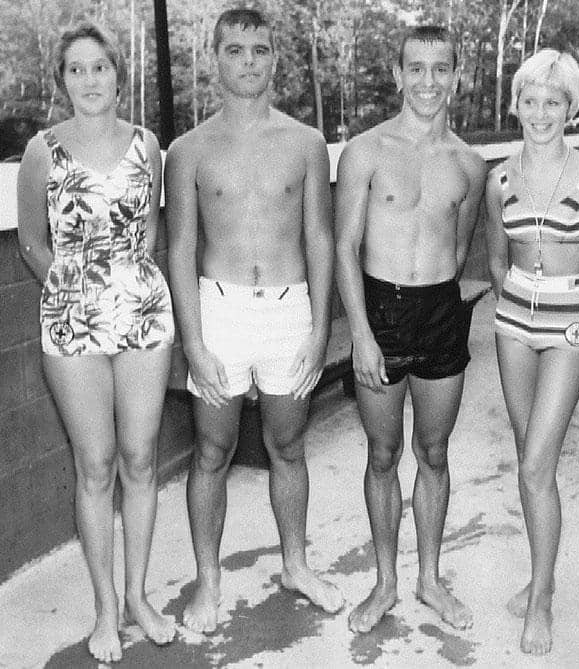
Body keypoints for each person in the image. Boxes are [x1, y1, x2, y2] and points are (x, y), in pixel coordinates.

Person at [165, 8, 343, 634]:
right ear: (215, 57)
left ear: (276, 59)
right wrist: (193, 340)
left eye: (259, 50)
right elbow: (179, 248)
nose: (247, 61)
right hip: (219, 313)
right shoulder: (187, 149)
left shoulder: (305, 143)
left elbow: (320, 236)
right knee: (212, 450)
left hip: (289, 313)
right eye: (234, 50)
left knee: (287, 445)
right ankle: (208, 584)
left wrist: (321, 328)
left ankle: (296, 563)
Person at [17, 22, 175, 663]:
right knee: (96, 464)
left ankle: (138, 596)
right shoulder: (41, 150)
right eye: (76, 70)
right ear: (63, 81)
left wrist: (128, 282)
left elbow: (152, 229)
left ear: (118, 73)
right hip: (72, 318)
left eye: (100, 68)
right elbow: (31, 238)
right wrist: (67, 284)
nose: (90, 80)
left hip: (142, 312)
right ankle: (106, 609)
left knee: (141, 460)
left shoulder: (147, 144)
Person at [335, 25, 487, 634]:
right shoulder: (366, 151)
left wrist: (454, 314)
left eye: (441, 68)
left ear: (455, 76)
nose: (428, 81)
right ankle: (385, 583)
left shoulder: (469, 164)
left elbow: (459, 251)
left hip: (441, 312)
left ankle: (428, 579)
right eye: (416, 68)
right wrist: (363, 335)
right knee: (382, 453)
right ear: (398, 75)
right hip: (381, 310)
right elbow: (345, 247)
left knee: (433, 451)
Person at [484, 49, 579, 655]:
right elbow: (494, 258)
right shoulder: (500, 179)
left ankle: (541, 601)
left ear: (572, 108)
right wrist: (513, 305)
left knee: (538, 463)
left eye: (554, 102)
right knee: (527, 458)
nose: (541, 112)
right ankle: (538, 575)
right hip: (513, 321)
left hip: (570, 324)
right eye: (531, 100)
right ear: (516, 104)